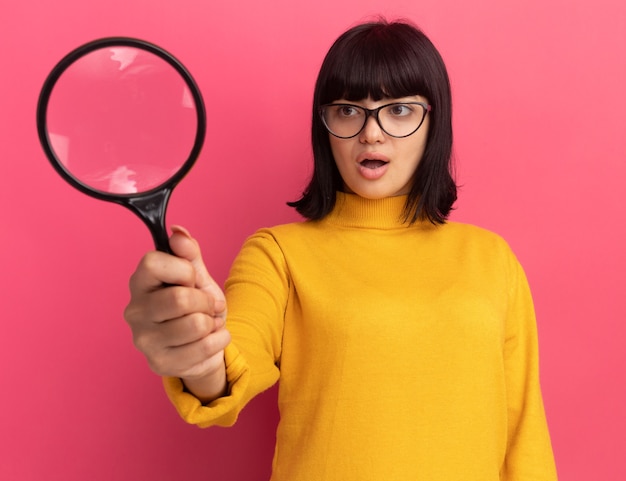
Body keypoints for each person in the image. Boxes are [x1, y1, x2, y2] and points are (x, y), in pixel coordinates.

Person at [124, 19, 558, 481]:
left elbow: (524, 435)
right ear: (325, 125)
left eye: (399, 110)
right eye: (349, 110)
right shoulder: (278, 254)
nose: (371, 133)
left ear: (435, 122)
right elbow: (229, 366)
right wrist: (197, 352)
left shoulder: (492, 259)